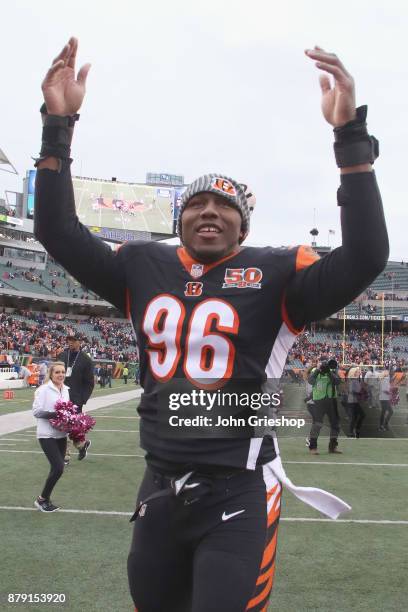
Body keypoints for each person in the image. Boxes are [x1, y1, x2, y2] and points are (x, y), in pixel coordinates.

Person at [34, 38, 388, 611]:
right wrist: (58, 123)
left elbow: (367, 254)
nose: (208, 210)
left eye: (225, 206)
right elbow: (56, 229)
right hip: (160, 485)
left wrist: (350, 140)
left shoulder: (277, 273)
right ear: (179, 221)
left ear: (243, 228)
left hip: (239, 490)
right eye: (196, 203)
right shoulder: (143, 267)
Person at [32, 362, 69, 512]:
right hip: (46, 434)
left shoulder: (66, 389)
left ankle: (44, 499)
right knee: (58, 468)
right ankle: (41, 499)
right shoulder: (43, 390)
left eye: (63, 372)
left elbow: (68, 410)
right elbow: (36, 412)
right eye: (57, 372)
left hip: (61, 434)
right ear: (51, 374)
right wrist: (55, 415)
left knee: (58, 468)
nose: (60, 375)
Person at [57, 332, 94, 462]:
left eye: (73, 340)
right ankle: (70, 452)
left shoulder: (86, 360)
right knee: (63, 426)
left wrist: (82, 399)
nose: (70, 342)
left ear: (80, 342)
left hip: (76, 399)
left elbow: (89, 383)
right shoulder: (62, 355)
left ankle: (77, 448)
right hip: (61, 397)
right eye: (69, 340)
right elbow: (54, 374)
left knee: (72, 428)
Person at [307, 358, 342, 454]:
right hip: (319, 400)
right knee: (317, 424)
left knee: (335, 424)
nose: (324, 365)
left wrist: (329, 372)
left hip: (331, 400)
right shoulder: (315, 371)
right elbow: (310, 381)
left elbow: (337, 382)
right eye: (322, 363)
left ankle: (333, 447)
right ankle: (312, 447)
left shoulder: (332, 372)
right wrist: (318, 369)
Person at [346, 365, 365, 438]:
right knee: (356, 417)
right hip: (352, 401)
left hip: (355, 401)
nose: (359, 372)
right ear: (354, 373)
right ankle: (352, 431)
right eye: (357, 372)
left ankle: (353, 431)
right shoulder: (353, 380)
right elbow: (352, 391)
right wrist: (360, 393)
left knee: (357, 417)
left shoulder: (356, 380)